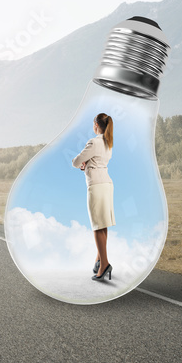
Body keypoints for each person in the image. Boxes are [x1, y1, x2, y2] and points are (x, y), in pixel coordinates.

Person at [72, 113, 115, 281]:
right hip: (107, 185)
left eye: (93, 124)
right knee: (103, 224)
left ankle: (104, 264)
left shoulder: (94, 142)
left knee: (97, 226)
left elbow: (76, 161)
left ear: (96, 125)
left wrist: (82, 164)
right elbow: (97, 162)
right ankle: (99, 260)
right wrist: (87, 165)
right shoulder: (108, 143)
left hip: (96, 185)